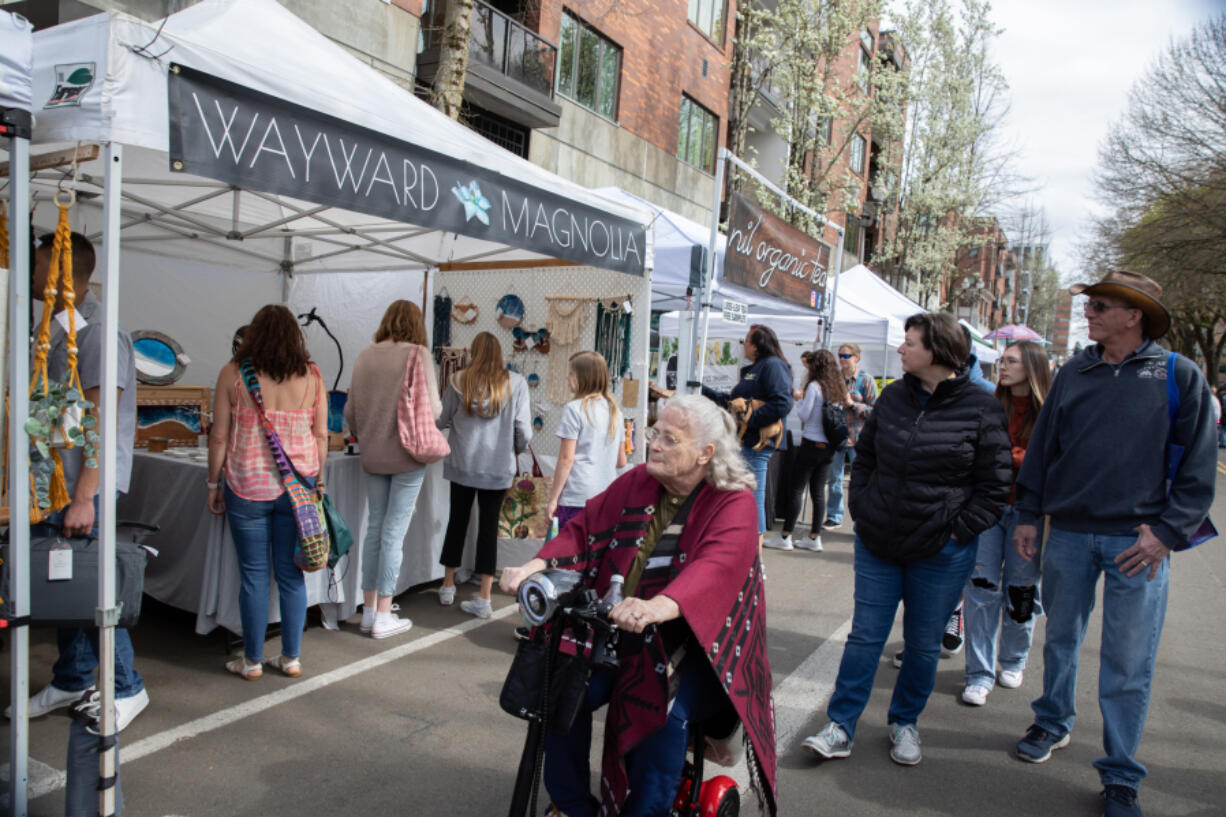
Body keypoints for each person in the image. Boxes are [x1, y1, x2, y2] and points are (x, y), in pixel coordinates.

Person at [500, 394, 777, 817]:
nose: (655, 444)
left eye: (670, 438)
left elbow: (717, 566)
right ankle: (573, 805)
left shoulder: (733, 501)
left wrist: (660, 606)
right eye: (654, 433)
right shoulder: (639, 481)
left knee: (662, 714)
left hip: (691, 648)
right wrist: (534, 567)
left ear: (706, 453)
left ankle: (645, 811)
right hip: (618, 635)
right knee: (557, 689)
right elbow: (585, 528)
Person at [1011, 271, 1216, 817]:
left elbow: (1199, 466)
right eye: (1090, 304)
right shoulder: (1074, 371)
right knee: (1060, 640)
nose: (1089, 312)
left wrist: (1166, 535)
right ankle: (1052, 721)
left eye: (1102, 305)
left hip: (1138, 544)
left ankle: (1121, 773)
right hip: (1070, 536)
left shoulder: (1179, 373)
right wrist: (1029, 512)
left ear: (1135, 314)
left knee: (1127, 662)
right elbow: (1042, 448)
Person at [801, 312, 1010, 766]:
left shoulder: (981, 406)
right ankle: (841, 726)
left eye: (909, 342)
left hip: (942, 551)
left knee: (920, 644)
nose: (900, 349)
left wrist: (957, 532)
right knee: (864, 638)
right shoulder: (894, 396)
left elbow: (995, 488)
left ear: (936, 351)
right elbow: (867, 456)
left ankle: (905, 722)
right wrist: (863, 508)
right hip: (879, 541)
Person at [9, 232, 149, 731]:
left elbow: (99, 419)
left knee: (89, 585)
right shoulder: (60, 327)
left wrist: (86, 495)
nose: (32, 275)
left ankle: (127, 685)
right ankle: (72, 677)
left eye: (39, 266)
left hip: (82, 486)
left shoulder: (97, 332)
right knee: (63, 580)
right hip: (56, 483)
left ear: (62, 275)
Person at [207, 304, 328, 680]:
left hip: (247, 486)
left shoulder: (233, 374)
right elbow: (321, 435)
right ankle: (290, 658)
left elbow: (220, 436)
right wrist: (318, 480)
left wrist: (214, 484)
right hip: (297, 490)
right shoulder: (312, 376)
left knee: (254, 577)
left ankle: (253, 661)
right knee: (292, 577)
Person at [960, 340, 1051, 706]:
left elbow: (1044, 461)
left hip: (1029, 513)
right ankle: (979, 673)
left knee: (1021, 590)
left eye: (1012, 360)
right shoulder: (990, 404)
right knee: (981, 590)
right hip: (988, 508)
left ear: (1032, 367)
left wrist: (1007, 456)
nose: (1003, 365)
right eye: (1002, 359)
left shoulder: (1048, 412)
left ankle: (1012, 660)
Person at [344, 300, 436, 639]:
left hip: (372, 455)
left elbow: (351, 412)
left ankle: (368, 611)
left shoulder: (365, 355)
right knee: (394, 532)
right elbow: (434, 407)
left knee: (375, 529)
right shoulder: (418, 354)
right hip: (408, 455)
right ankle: (384, 613)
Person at [437, 331, 531, 618]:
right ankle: (485, 598)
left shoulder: (457, 381)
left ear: (473, 352)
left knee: (457, 521)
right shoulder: (516, 383)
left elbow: (440, 420)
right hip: (498, 466)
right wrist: (513, 449)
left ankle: (448, 585)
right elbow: (523, 431)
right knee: (489, 530)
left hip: (463, 463)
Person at [701, 324, 793, 539]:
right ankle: (750, 547)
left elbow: (782, 403)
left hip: (756, 443)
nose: (744, 346)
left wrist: (750, 420)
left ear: (756, 344)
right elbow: (733, 403)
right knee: (747, 495)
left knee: (753, 496)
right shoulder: (757, 368)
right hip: (747, 442)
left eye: (746, 341)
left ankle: (755, 553)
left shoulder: (773, 366)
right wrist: (703, 390)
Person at [770, 350, 849, 552]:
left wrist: (800, 401)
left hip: (811, 444)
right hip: (829, 448)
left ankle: (786, 535)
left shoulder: (815, 386)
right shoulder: (839, 387)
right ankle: (815, 537)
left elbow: (804, 415)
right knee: (818, 492)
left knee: (797, 488)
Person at [544, 350, 628, 528]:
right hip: (606, 496)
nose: (567, 377)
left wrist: (553, 499)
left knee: (571, 552)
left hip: (577, 496)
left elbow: (566, 460)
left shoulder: (574, 409)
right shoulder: (616, 412)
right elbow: (621, 461)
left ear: (583, 377)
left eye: (571, 373)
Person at [822, 343, 877, 530]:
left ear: (856, 357)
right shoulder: (835, 379)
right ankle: (834, 516)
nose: (842, 360)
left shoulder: (865, 380)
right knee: (834, 478)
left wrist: (853, 404)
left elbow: (875, 411)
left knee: (860, 480)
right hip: (837, 436)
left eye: (846, 356)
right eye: (840, 356)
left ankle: (862, 519)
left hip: (859, 437)